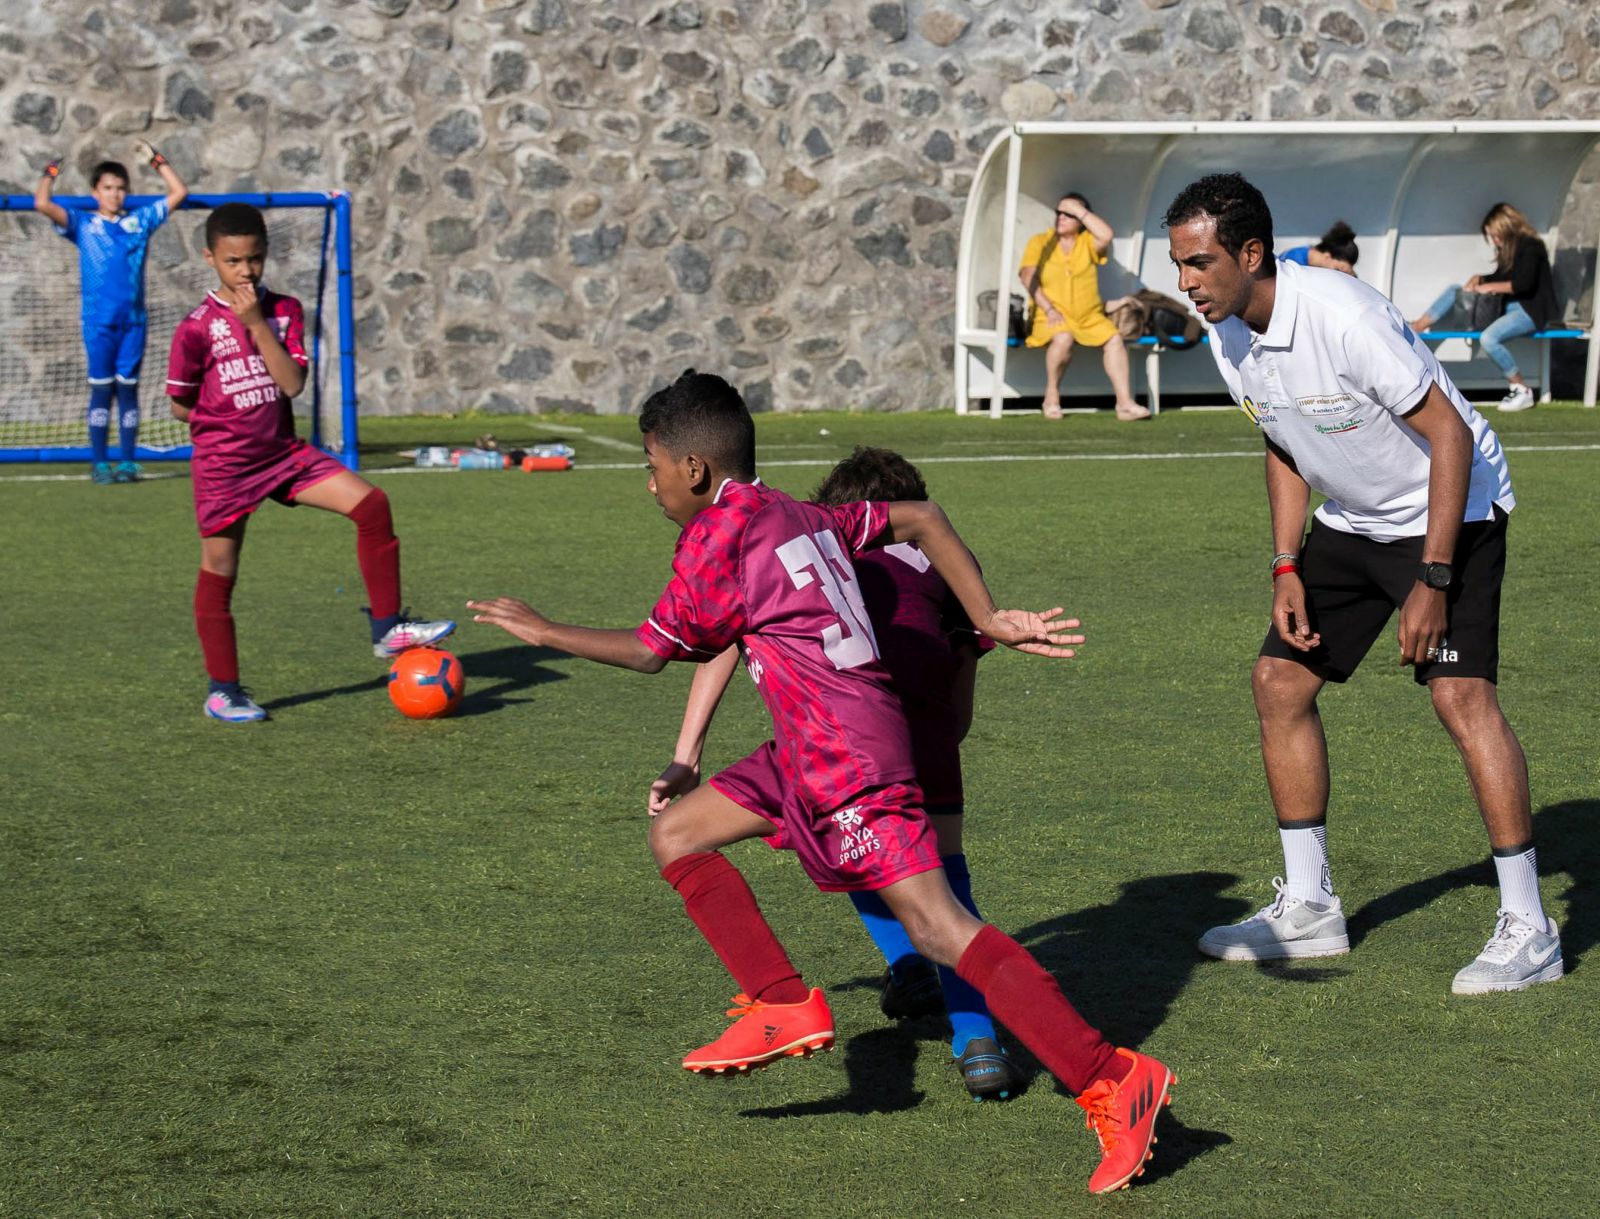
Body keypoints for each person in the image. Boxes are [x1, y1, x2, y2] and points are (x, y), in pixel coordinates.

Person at [469, 370, 1176, 1195]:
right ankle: (781, 1001)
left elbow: (651, 649)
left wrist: (542, 627)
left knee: (942, 928)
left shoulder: (718, 536)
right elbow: (922, 515)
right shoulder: (799, 514)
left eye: (652, 463)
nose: (650, 480)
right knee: (676, 832)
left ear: (694, 468)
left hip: (847, 759)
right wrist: (983, 614)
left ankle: (1111, 1078)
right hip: (810, 750)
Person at [1164, 173, 1560, 996]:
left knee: (1460, 698)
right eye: (1179, 265)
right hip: (1351, 520)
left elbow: (1448, 433)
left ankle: (1530, 925)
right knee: (1278, 681)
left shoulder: (1344, 316)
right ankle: (1309, 907)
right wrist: (1284, 564)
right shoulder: (1225, 333)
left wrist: (1433, 578)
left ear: (1250, 253)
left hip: (1455, 507)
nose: (1186, 282)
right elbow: (1281, 441)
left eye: (1199, 263)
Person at [647, 445, 1024, 1102]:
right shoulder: (939, 557)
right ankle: (978, 1040)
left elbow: (726, 642)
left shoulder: (809, 544)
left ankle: (908, 965)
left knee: (840, 836)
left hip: (849, 734)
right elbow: (965, 663)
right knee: (947, 877)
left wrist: (688, 750)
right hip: (929, 731)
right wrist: (945, 738)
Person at [165, 203, 454, 724]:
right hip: (226, 468)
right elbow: (180, 404)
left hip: (284, 454)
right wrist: (223, 424)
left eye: (254, 258)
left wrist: (256, 324)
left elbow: (292, 384)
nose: (246, 271)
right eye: (233, 261)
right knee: (219, 573)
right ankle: (223, 690)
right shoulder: (195, 328)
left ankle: (386, 627)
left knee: (371, 504)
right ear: (210, 258)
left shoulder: (283, 311)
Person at [33, 142, 189, 484]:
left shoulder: (140, 221)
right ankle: (100, 462)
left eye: (120, 188)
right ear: (95, 192)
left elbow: (179, 192)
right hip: (98, 325)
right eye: (107, 188)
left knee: (128, 390)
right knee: (102, 391)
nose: (115, 194)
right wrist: (51, 172)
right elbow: (42, 203)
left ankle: (129, 461)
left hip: (133, 323)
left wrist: (156, 160)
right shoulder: (83, 224)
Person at [1407, 202, 1559, 413]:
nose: (1494, 241)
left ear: (1506, 227)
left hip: (1529, 311)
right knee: (1455, 290)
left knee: (1489, 338)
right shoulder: (1510, 249)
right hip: (1505, 308)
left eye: (1495, 235)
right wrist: (1479, 280)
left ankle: (1521, 389)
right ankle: (1419, 325)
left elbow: (1523, 284)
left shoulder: (1531, 246)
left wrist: (1486, 287)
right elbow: (1502, 278)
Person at [1018, 193, 1151, 422]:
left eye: (1069, 214)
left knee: (1114, 340)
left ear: (1081, 219)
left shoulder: (1087, 242)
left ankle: (1125, 404)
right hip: (1050, 315)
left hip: (1089, 316)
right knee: (1063, 337)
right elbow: (1027, 277)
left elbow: (1106, 235)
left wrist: (1078, 209)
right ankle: (1051, 397)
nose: (1061, 217)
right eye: (1059, 213)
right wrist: (1049, 309)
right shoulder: (1040, 242)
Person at [1279, 220, 1359, 276]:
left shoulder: (1306, 256)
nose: (1338, 275)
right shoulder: (1293, 264)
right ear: (1327, 256)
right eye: (1337, 269)